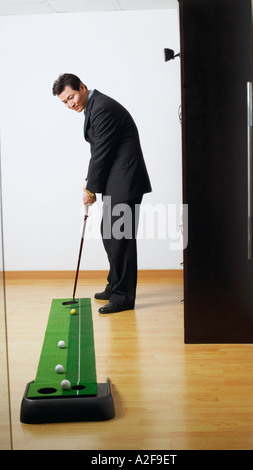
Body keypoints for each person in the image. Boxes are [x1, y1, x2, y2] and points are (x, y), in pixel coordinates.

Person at [52, 73, 152, 314]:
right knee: (109, 233)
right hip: (116, 180)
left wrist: (90, 189)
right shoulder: (93, 107)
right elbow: (99, 150)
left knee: (121, 240)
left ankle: (123, 297)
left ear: (82, 87)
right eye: (65, 102)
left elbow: (102, 153)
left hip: (126, 180)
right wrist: (91, 181)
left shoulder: (103, 108)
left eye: (71, 97)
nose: (70, 104)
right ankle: (115, 285)